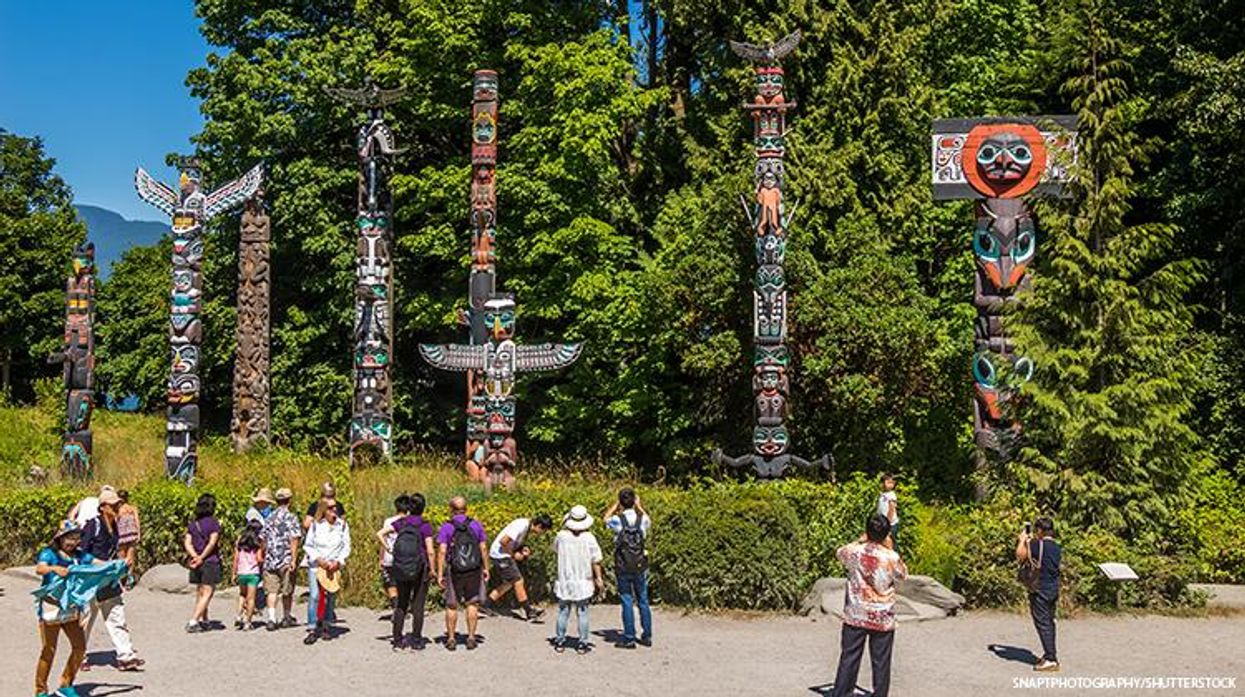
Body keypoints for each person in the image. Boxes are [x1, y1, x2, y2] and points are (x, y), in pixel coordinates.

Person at [33, 521, 119, 697]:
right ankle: (41, 690)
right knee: (48, 649)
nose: (73, 542)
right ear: (61, 538)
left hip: (71, 608)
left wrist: (117, 565)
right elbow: (40, 569)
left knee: (79, 647)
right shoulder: (49, 553)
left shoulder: (80, 556)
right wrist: (54, 568)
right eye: (70, 538)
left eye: (76, 538)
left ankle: (66, 684)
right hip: (51, 607)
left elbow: (98, 563)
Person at [829, 514, 907, 697]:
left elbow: (839, 552)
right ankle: (879, 693)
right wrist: (891, 548)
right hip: (882, 615)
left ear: (867, 530)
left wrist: (859, 540)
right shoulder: (890, 557)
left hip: (856, 612)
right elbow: (902, 575)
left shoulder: (853, 551)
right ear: (887, 533)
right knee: (881, 659)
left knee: (849, 656)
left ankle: (842, 692)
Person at [79, 487, 143, 671]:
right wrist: (97, 562)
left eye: (118, 504)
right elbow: (80, 552)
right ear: (103, 507)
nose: (117, 508)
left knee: (116, 615)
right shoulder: (93, 525)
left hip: (109, 578)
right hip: (91, 578)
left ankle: (126, 656)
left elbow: (123, 546)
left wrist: (123, 563)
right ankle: (79, 654)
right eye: (113, 505)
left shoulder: (115, 526)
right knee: (86, 618)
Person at [377, 493, 436, 651]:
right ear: (423, 508)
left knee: (401, 603)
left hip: (401, 567)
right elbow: (430, 551)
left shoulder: (401, 522)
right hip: (420, 568)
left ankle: (397, 639)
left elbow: (380, 533)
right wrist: (433, 570)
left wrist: (388, 548)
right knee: (418, 605)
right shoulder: (425, 525)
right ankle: (416, 640)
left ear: (409, 507)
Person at [436, 496, 489, 651]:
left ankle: (451, 639)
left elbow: (442, 551)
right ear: (466, 509)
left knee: (452, 605)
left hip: (455, 570)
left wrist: (440, 574)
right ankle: (471, 637)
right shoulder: (475, 524)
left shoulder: (447, 527)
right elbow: (483, 548)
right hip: (474, 569)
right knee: (472, 603)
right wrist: (486, 568)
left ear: (451, 509)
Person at [552, 505, 604, 654]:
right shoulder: (589, 538)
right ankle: (582, 643)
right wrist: (598, 578)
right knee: (583, 612)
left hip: (565, 579)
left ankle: (560, 641)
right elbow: (596, 560)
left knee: (563, 611)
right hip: (583, 579)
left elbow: (555, 549)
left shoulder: (561, 536)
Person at [605, 487, 652, 649]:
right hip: (640, 564)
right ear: (634, 500)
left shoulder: (618, 520)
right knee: (643, 600)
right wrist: (638, 506)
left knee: (626, 599)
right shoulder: (642, 519)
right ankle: (647, 636)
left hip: (623, 564)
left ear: (621, 502)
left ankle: (629, 637)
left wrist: (615, 504)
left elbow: (605, 518)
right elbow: (648, 518)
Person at [483, 513, 553, 622]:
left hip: (503, 554)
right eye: (543, 531)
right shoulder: (522, 525)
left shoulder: (526, 526)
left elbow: (512, 542)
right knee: (518, 580)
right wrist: (513, 555)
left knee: (510, 583)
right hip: (501, 555)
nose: (541, 534)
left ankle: (486, 604)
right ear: (539, 526)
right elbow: (504, 541)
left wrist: (522, 549)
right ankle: (529, 611)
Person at [303, 496, 351, 644]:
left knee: (331, 596)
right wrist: (319, 559)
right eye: (330, 508)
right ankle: (312, 628)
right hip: (317, 565)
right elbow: (308, 545)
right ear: (324, 510)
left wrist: (339, 561)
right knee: (315, 595)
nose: (334, 510)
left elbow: (346, 546)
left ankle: (326, 625)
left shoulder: (342, 526)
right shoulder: (316, 525)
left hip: (333, 565)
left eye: (335, 507)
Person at [1017, 516, 1061, 672]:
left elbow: (1020, 555)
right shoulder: (1057, 547)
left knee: (1042, 623)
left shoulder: (1036, 544)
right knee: (1049, 622)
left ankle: (1051, 659)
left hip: (1040, 588)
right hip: (1053, 588)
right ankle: (1050, 653)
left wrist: (1022, 540)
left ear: (1040, 530)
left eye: (1037, 530)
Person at [260, 487, 302, 631]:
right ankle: (286, 616)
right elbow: (294, 539)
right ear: (289, 501)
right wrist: (294, 559)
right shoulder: (291, 518)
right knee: (287, 590)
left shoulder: (269, 518)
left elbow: (263, 538)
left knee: (271, 591)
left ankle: (271, 618)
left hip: (271, 558)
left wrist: (263, 552)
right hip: (285, 559)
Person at [183, 493, 222, 633]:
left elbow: (187, 542)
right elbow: (213, 542)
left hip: (195, 562)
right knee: (208, 592)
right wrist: (202, 557)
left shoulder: (193, 524)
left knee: (200, 592)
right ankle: (194, 620)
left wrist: (195, 556)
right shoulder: (213, 523)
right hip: (210, 561)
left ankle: (204, 619)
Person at [376, 495, 407, 609]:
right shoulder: (410, 521)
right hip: (405, 558)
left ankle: (396, 606)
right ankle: (402, 606)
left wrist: (381, 558)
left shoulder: (389, 521)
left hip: (390, 556)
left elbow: (383, 539)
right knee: (402, 583)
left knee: (390, 583)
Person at [232, 521, 264, 630]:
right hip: (253, 573)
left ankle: (239, 615)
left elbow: (236, 559)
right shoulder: (258, 543)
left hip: (241, 572)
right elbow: (259, 559)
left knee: (242, 595)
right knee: (251, 599)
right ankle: (248, 622)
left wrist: (234, 573)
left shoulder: (240, 542)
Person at [114, 490, 141, 572]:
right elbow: (137, 521)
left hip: (121, 535)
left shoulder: (117, 510)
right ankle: (129, 578)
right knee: (130, 558)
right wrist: (139, 534)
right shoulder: (132, 508)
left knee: (121, 560)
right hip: (132, 534)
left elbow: (115, 522)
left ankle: (122, 579)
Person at [876, 473, 900, 552]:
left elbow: (891, 509)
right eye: (888, 482)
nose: (891, 485)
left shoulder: (892, 495)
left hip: (891, 523)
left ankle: (895, 558)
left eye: (892, 483)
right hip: (883, 522)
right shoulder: (882, 494)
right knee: (883, 541)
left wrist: (888, 523)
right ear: (882, 483)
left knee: (890, 541)